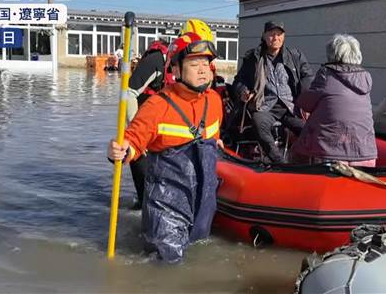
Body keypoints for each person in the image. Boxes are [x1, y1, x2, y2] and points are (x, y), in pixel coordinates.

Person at [107, 31, 223, 262]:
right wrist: (121, 150)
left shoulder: (215, 101)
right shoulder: (157, 105)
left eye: (206, 63)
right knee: (166, 264)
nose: (202, 69)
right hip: (166, 205)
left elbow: (214, 138)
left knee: (200, 254)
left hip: (202, 203)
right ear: (177, 69)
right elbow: (134, 140)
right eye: (194, 63)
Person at [124, 18, 212, 209]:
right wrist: (137, 135)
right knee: (149, 197)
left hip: (174, 137)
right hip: (146, 133)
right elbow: (129, 93)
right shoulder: (157, 60)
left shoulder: (199, 71)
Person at [232, 20, 314, 163]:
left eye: (279, 34)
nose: (275, 38)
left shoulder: (295, 56)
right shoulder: (253, 57)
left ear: (284, 36)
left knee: (309, 130)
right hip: (265, 106)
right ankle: (279, 162)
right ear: (264, 36)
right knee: (259, 123)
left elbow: (307, 76)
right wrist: (243, 91)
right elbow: (238, 81)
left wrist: (305, 97)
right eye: (271, 34)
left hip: (290, 107)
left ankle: (300, 161)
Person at [291, 34, 377, 167]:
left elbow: (306, 104)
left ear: (332, 54)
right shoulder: (365, 78)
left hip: (331, 152)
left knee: (297, 152)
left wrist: (298, 96)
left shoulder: (326, 75)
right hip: (365, 151)